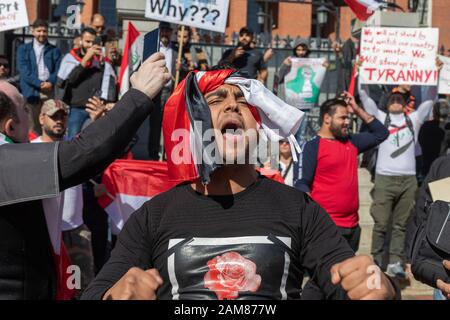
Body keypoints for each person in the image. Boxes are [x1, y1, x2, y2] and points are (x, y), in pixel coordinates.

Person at [82, 68, 397, 300]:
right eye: (216, 100)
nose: (232, 105)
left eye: (243, 101)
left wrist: (384, 289)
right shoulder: (153, 217)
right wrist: (112, 297)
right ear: (190, 127)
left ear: (258, 130)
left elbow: (346, 283)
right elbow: (96, 292)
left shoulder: (299, 209)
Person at [0, 52, 171, 299]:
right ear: (11, 126)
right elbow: (85, 153)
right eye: (25, 109)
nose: (29, 114)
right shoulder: (7, 160)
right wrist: (140, 95)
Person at [296, 93, 388, 251]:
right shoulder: (312, 146)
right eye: (342, 118)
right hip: (326, 227)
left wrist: (357, 109)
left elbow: (381, 133)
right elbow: (302, 184)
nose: (347, 122)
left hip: (353, 226)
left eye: (348, 118)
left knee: (348, 275)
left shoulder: (351, 142)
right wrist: (312, 222)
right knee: (326, 275)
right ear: (327, 119)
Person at [359, 85, 434, 278]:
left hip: (408, 181)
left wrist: (434, 76)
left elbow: (429, 100)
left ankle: (394, 262)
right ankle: (375, 260)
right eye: (392, 99)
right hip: (384, 179)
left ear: (405, 103)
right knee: (381, 223)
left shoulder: (413, 120)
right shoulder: (381, 118)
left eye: (400, 99)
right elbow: (365, 97)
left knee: (401, 225)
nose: (395, 102)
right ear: (387, 102)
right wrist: (363, 75)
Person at [31, 99, 95, 298]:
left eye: (63, 116)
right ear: (42, 119)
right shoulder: (28, 150)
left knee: (78, 287)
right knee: (46, 287)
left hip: (75, 231)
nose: (59, 121)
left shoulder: (73, 148)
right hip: (44, 232)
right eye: (53, 116)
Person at [56, 27, 117, 138]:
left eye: (93, 42)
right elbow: (69, 80)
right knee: (73, 139)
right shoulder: (71, 58)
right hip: (77, 108)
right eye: (87, 41)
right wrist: (85, 60)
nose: (90, 45)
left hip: (95, 108)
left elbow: (108, 83)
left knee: (96, 138)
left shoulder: (101, 61)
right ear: (81, 41)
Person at [406, 155, 450, 300]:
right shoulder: (443, 165)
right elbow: (423, 214)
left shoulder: (443, 163)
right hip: (443, 273)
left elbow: (422, 214)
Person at [16, 19, 62, 135]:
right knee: (32, 124)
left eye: (44, 31)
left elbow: (58, 69)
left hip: (49, 90)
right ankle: (32, 150)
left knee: (49, 121)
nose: (42, 33)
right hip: (31, 91)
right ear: (33, 32)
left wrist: (50, 82)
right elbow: (24, 71)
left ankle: (47, 147)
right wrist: (39, 84)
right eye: (39, 31)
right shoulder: (23, 49)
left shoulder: (54, 50)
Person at [148, 22, 176, 160]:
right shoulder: (153, 48)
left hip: (172, 91)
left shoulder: (176, 49)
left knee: (170, 124)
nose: (165, 33)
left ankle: (167, 156)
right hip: (157, 90)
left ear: (171, 32)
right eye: (162, 30)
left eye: (167, 31)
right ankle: (153, 155)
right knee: (155, 124)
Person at [418, 99, 450, 177]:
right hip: (442, 169)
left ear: (433, 113)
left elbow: (421, 142)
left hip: (428, 169)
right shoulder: (447, 128)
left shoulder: (426, 126)